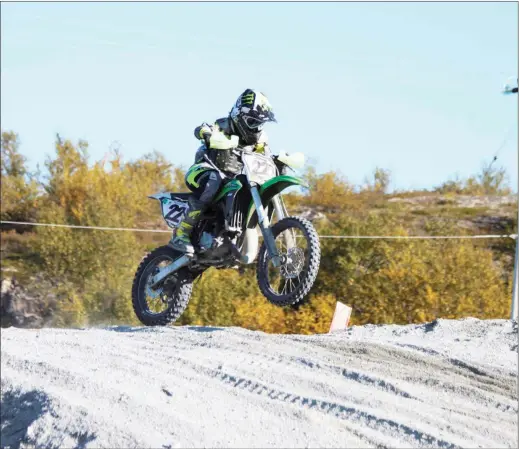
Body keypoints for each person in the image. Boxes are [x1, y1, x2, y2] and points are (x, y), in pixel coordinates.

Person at [171, 89, 277, 254]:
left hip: (234, 178)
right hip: (204, 170)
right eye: (252, 122)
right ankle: (181, 232)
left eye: (260, 123)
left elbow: (266, 156)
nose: (256, 128)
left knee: (247, 187)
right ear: (239, 115)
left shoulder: (261, 140)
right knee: (214, 180)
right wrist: (206, 134)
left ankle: (231, 234)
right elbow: (201, 128)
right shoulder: (222, 125)